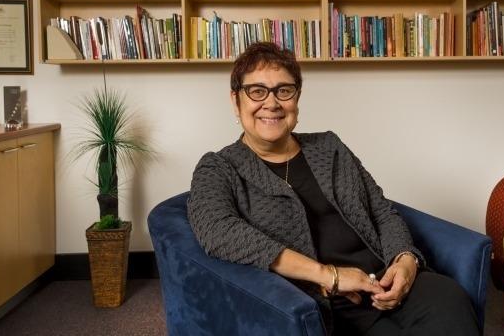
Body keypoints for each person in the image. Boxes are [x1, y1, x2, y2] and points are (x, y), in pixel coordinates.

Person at [187, 42, 479, 335]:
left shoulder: (329, 146)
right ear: (235, 100)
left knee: (450, 298)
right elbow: (218, 232)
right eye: (257, 91)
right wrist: (329, 277)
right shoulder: (218, 167)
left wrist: (405, 260)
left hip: (383, 278)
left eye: (284, 90)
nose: (272, 103)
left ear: (296, 99)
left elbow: (381, 211)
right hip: (325, 304)